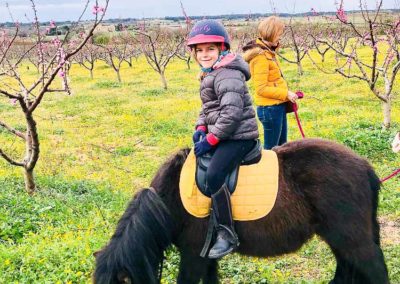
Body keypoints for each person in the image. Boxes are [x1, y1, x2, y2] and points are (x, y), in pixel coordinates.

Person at [188, 19, 259, 259]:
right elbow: (209, 107)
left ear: (222, 49)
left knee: (215, 174)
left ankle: (227, 233)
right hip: (227, 133)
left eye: (210, 49)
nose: (204, 54)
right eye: (199, 50)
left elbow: (231, 114)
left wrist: (212, 139)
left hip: (239, 136)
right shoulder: (211, 73)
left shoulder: (227, 74)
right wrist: (201, 126)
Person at [243, 16, 298, 150]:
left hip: (277, 106)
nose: (280, 37)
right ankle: (267, 171)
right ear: (271, 33)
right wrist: (286, 93)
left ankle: (280, 171)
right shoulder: (260, 57)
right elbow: (261, 89)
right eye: (279, 34)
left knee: (281, 146)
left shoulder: (268, 51)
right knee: (271, 149)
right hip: (270, 109)